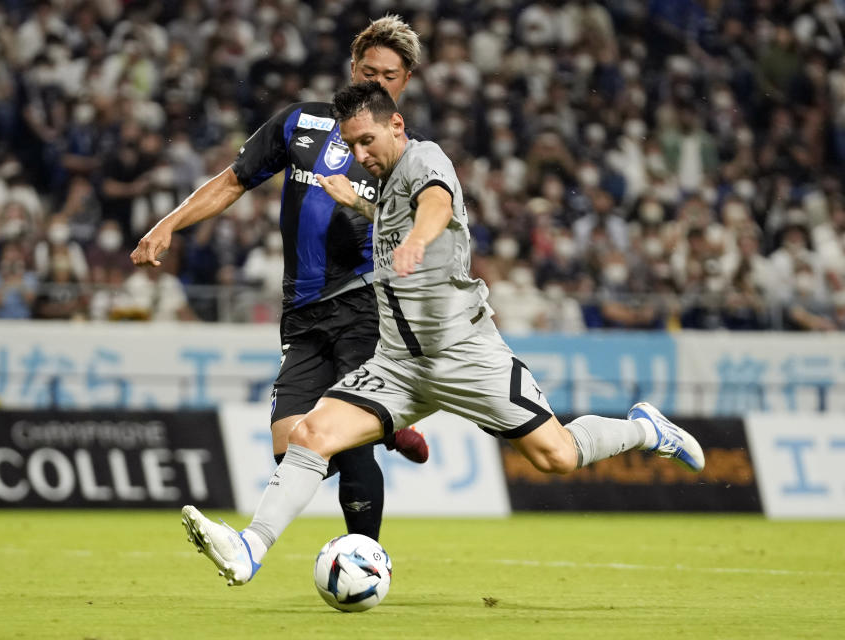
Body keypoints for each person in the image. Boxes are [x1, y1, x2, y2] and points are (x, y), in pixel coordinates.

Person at [179, 82, 706, 587]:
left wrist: (417, 240)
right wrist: (360, 204)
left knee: (558, 456)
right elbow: (392, 211)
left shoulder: (425, 158)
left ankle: (645, 429)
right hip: (397, 365)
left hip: (464, 356)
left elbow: (435, 203)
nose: (360, 153)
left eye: (368, 140)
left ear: (397, 125)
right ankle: (251, 548)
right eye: (351, 144)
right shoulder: (382, 183)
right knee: (310, 435)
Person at [130, 17, 429, 544]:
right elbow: (232, 181)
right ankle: (387, 426)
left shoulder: (405, 153)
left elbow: (415, 232)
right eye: (368, 71)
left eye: (389, 75)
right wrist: (168, 224)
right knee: (290, 444)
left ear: (404, 84)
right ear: (351, 70)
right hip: (303, 310)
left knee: (345, 436)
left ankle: (366, 558)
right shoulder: (300, 123)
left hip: (365, 307)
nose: (377, 82)